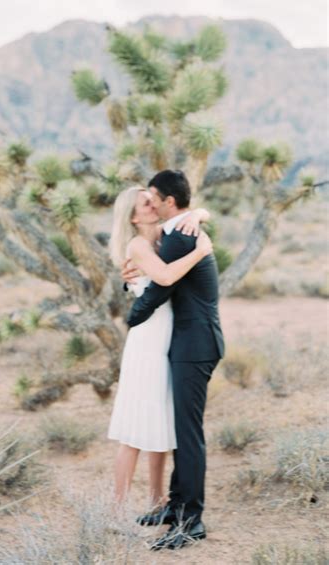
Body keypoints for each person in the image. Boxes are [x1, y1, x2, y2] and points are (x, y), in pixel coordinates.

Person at [124, 170, 225, 551]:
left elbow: (157, 293)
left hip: (195, 345)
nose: (149, 203)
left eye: (153, 197)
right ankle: (176, 505)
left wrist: (132, 315)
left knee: (188, 434)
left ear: (169, 202)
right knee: (181, 428)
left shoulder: (182, 236)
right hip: (189, 342)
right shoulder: (181, 229)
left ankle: (191, 521)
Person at [107, 185, 213, 508]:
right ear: (134, 217)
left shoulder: (163, 240)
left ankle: (157, 500)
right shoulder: (138, 245)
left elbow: (200, 211)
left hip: (169, 338)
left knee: (161, 422)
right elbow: (166, 278)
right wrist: (200, 251)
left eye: (153, 198)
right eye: (145, 202)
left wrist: (196, 214)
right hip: (148, 343)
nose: (153, 204)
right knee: (135, 428)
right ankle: (115, 510)